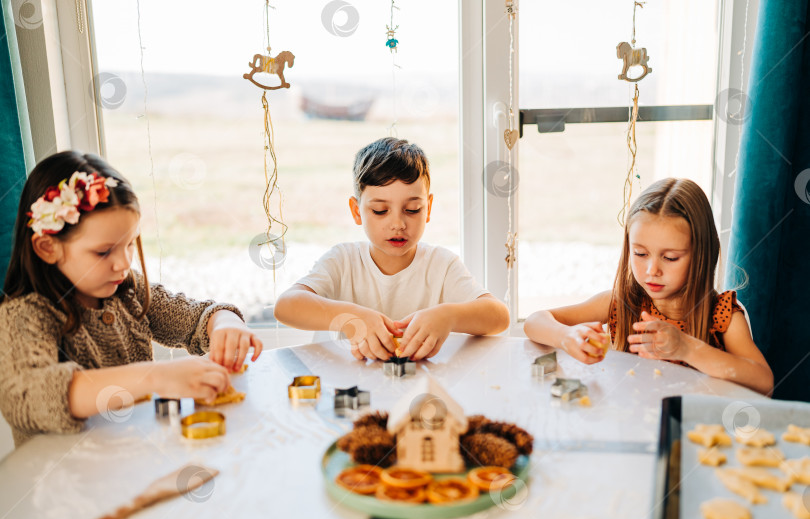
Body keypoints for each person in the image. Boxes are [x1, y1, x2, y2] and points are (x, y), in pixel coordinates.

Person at [0, 151, 263, 446]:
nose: (123, 263)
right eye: (103, 252)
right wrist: (152, 377)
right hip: (66, 483)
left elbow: (194, 318)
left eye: (130, 244)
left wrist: (224, 323)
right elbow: (26, 394)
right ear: (48, 247)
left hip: (136, 462)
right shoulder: (23, 315)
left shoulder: (127, 289)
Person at [524, 177, 773, 395]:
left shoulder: (723, 317)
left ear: (701, 255)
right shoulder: (619, 302)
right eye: (640, 254)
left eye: (670, 257)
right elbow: (535, 322)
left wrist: (686, 348)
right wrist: (567, 337)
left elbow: (764, 382)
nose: (652, 270)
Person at [274, 137, 509, 361]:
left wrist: (448, 316)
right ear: (357, 211)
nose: (398, 224)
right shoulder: (343, 261)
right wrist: (350, 317)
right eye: (380, 211)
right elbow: (286, 306)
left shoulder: (441, 264)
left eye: (413, 209)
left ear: (428, 208)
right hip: (348, 390)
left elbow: (499, 316)